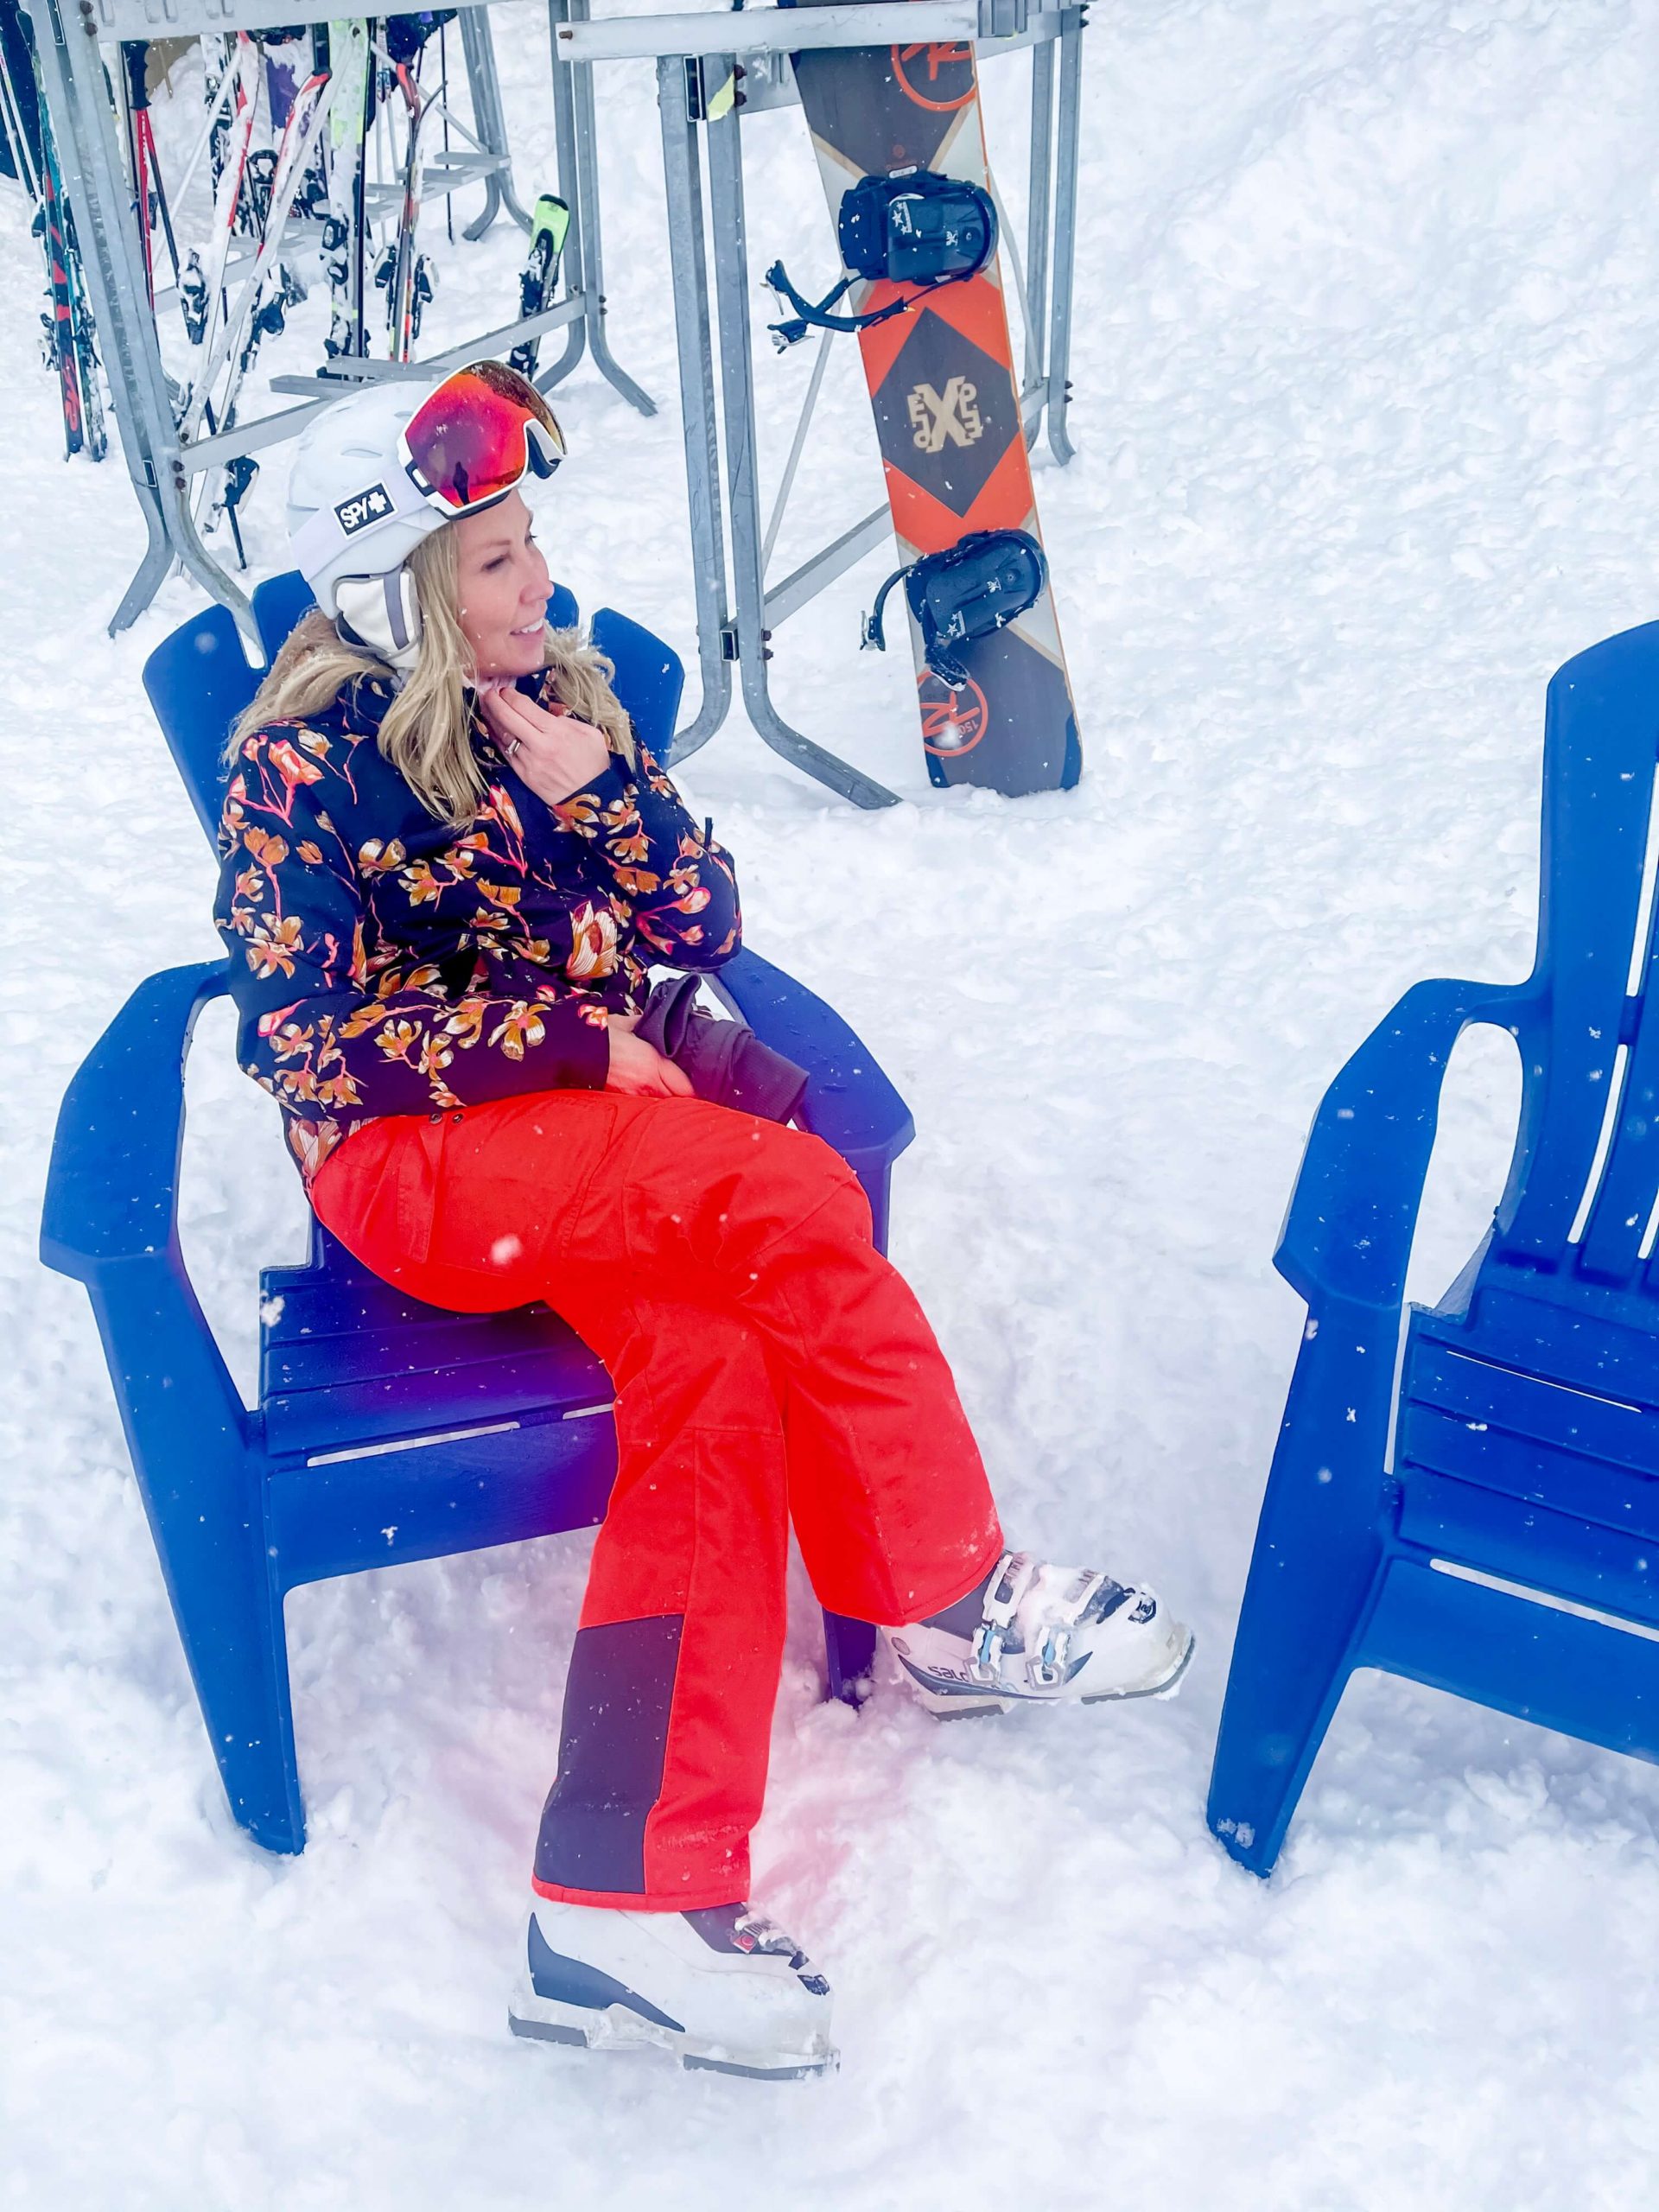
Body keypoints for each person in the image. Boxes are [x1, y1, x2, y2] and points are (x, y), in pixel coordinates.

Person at [216, 360, 1193, 2082]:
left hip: (593, 1137)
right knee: (789, 1187)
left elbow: (706, 913)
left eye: (531, 543)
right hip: (418, 1163)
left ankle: (616, 1900)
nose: (539, 583)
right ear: (400, 594)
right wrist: (560, 1035)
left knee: (723, 1367)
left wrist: (603, 779)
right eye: (497, 561)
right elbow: (309, 1042)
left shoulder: (567, 698)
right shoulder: (304, 768)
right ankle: (947, 1593)